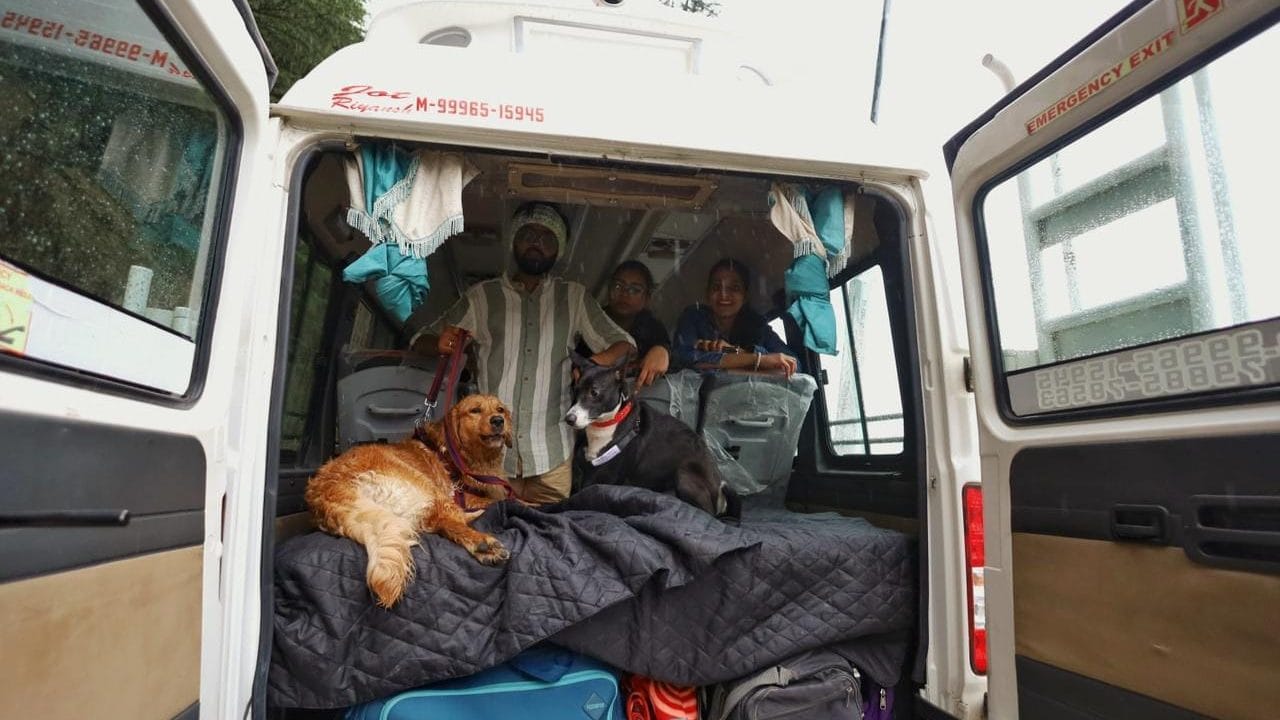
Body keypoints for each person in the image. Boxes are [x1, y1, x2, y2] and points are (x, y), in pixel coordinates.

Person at [418, 202, 635, 504]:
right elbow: (421, 339)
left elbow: (624, 345)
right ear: (513, 242)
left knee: (549, 545)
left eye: (547, 239)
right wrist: (440, 343)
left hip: (552, 459)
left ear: (558, 250)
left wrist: (593, 365)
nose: (537, 244)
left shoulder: (573, 297)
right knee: (488, 539)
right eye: (528, 235)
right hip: (489, 459)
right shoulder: (481, 297)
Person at [672, 257, 798, 376]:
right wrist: (757, 360)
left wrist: (735, 351)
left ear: (745, 296)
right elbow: (685, 357)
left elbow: (793, 364)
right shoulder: (693, 318)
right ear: (707, 294)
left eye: (734, 288)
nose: (724, 295)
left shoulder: (758, 326)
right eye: (716, 287)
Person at [575, 260, 671, 388]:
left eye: (635, 290)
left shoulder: (651, 327)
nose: (625, 293)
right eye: (618, 286)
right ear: (609, 290)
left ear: (647, 298)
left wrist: (662, 351)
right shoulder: (592, 320)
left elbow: (665, 350)